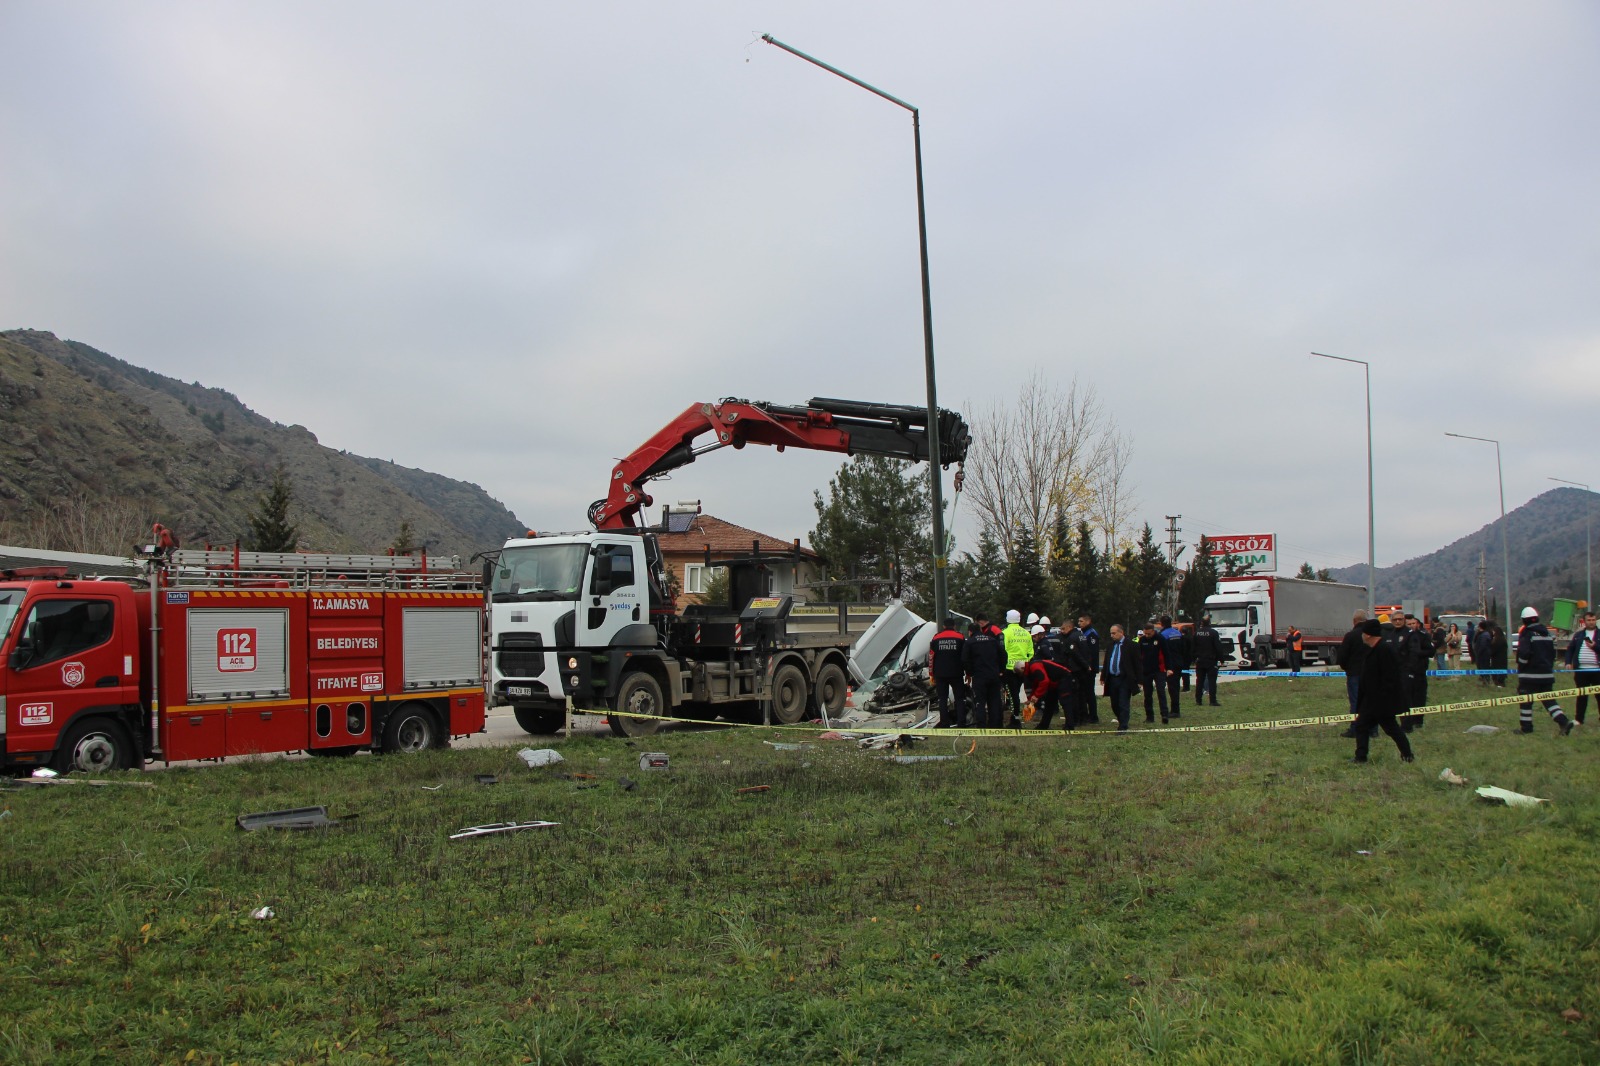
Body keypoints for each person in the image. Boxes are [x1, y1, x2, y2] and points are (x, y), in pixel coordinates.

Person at [1350, 618, 1416, 764]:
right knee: (1362, 726)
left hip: (1381, 700)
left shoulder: (1384, 650)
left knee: (1391, 728)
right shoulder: (1373, 650)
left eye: (1363, 633)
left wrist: (1383, 698)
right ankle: (1361, 756)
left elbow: (1390, 677)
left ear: (1368, 635)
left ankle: (1407, 755)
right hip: (1372, 700)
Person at [1516, 607, 1574, 735]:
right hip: (1547, 674)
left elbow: (1524, 654)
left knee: (1526, 702)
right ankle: (1563, 722)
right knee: (1549, 700)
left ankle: (1526, 728)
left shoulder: (1527, 633)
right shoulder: (1547, 634)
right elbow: (1552, 654)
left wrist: (1522, 665)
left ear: (1524, 620)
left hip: (1529, 675)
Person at [963, 613, 1007, 728]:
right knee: (994, 701)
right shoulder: (992, 640)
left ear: (970, 632)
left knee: (980, 702)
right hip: (994, 675)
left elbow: (964, 659)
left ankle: (981, 725)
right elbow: (1003, 654)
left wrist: (969, 673)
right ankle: (995, 725)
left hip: (979, 676)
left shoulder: (970, 642)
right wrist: (1001, 669)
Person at [1335, 610, 1372, 737]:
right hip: (1371, 674)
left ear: (1354, 621)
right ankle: (1373, 729)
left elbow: (1342, 657)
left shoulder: (1350, 636)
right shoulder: (1372, 635)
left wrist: (1347, 669)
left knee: (1356, 702)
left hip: (1355, 674)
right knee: (1371, 700)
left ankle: (1355, 728)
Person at [928, 617, 967, 729]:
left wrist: (931, 674)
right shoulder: (960, 637)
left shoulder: (936, 638)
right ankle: (961, 723)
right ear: (954, 626)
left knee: (942, 699)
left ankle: (945, 724)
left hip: (940, 674)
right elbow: (964, 656)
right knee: (960, 698)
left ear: (944, 626)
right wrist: (967, 671)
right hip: (957, 673)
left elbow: (931, 656)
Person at [1567, 611, 1600, 726]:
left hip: (1597, 670)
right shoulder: (1578, 635)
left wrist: (1595, 646)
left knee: (1599, 695)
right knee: (1581, 695)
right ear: (1584, 621)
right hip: (1581, 670)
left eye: (1593, 620)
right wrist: (1568, 662)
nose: (1591, 622)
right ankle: (1579, 719)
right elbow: (1570, 649)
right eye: (1589, 620)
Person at [1002, 610, 1034, 727]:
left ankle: (1015, 719)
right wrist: (1025, 664)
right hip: (1023, 668)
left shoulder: (1005, 633)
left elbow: (1002, 651)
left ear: (1007, 619)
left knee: (1012, 694)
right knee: (1016, 693)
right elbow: (1031, 652)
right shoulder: (1026, 633)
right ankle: (1015, 717)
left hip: (1009, 668)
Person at [1099, 623, 1133, 732]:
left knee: (1123, 703)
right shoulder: (1110, 646)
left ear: (1121, 632)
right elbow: (1106, 662)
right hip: (1113, 679)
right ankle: (1120, 719)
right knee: (1114, 703)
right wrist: (1103, 676)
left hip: (1124, 679)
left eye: (1114, 633)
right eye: (1111, 633)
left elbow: (1137, 664)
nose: (1112, 636)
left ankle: (1123, 726)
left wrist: (1139, 680)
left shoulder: (1131, 645)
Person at [1133, 621, 1168, 723]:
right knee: (1147, 695)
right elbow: (1138, 655)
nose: (1147, 635)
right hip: (1146, 671)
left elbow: (1167, 653)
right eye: (1145, 633)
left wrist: (1169, 668)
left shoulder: (1160, 639)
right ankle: (1149, 716)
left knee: (1161, 692)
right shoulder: (1142, 640)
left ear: (1153, 631)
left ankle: (1164, 715)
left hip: (1159, 670)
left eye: (1149, 633)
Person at [1191, 614, 1223, 707]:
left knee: (1199, 681)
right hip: (1211, 660)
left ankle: (1198, 700)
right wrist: (1221, 659)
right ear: (1209, 623)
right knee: (1212, 681)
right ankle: (1212, 701)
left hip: (1200, 661)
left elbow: (1193, 648)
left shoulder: (1196, 633)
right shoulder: (1213, 633)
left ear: (1201, 623)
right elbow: (1218, 647)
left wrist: (1193, 659)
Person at [1157, 615, 1186, 718]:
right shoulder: (1177, 632)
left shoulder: (1163, 635)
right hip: (1178, 662)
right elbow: (1183, 648)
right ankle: (1175, 708)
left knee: (1171, 688)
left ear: (1161, 624)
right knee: (1176, 687)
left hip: (1169, 664)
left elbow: (1162, 651)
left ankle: (1175, 711)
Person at [1077, 612, 1102, 724]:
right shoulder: (1083, 632)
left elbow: (1091, 653)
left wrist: (1089, 667)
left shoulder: (1091, 634)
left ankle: (1093, 716)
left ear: (1088, 621)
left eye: (1081, 621)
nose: (1079, 623)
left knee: (1089, 693)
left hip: (1089, 668)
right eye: (1079, 621)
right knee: (1083, 692)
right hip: (1085, 667)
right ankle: (1085, 714)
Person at [1472, 621, 1494, 687]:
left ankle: (1486, 681)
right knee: (1482, 668)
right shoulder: (1482, 634)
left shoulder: (1484, 635)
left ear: (1480, 627)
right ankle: (1484, 680)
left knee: (1484, 668)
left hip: (1483, 655)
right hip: (1482, 654)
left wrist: (1478, 653)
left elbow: (1483, 645)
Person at [1489, 621, 1509, 688]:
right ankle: (1499, 682)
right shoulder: (1502, 639)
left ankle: (1500, 683)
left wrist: (1490, 652)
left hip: (1498, 659)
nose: (1493, 632)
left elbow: (1494, 650)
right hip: (1501, 659)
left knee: (1498, 671)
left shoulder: (1498, 641)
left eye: (1494, 631)